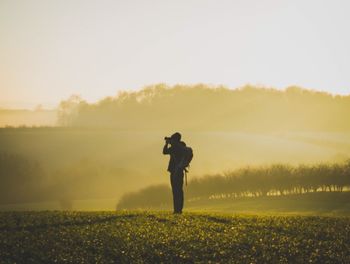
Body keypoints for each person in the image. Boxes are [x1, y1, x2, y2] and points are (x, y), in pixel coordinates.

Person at [163, 132, 187, 214]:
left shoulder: (174, 148)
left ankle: (177, 210)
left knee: (175, 191)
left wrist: (167, 144)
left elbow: (164, 152)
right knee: (179, 190)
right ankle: (179, 209)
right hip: (180, 171)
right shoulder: (182, 146)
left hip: (174, 171)